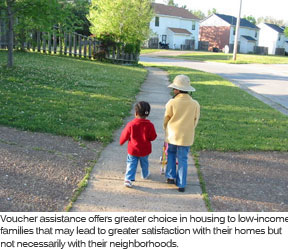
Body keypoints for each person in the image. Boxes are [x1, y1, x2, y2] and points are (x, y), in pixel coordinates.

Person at [163, 75, 200, 192]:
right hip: (186, 136)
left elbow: (166, 118)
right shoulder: (195, 104)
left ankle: (170, 176)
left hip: (173, 134)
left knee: (171, 154)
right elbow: (195, 120)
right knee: (183, 158)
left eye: (174, 88)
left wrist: (166, 128)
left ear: (178, 90)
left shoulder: (172, 102)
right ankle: (182, 183)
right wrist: (189, 129)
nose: (173, 90)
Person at [120, 101, 157, 188]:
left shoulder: (131, 124)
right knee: (144, 162)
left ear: (136, 113)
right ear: (147, 114)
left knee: (131, 163)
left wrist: (121, 141)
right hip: (145, 149)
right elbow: (153, 137)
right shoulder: (150, 125)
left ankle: (128, 179)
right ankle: (145, 174)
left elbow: (125, 135)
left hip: (133, 149)